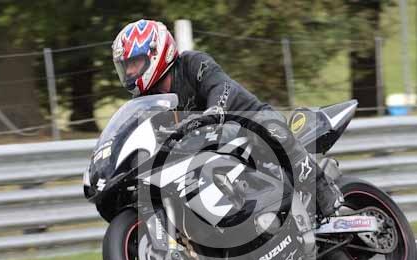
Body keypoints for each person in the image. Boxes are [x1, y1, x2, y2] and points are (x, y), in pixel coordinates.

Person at [112, 19, 343, 218]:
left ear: (156, 52)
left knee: (271, 129)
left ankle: (322, 188)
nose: (129, 72)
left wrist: (214, 110)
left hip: (247, 121)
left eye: (134, 63)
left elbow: (220, 86)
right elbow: (141, 130)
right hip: (204, 145)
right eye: (126, 66)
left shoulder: (192, 63)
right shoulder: (150, 101)